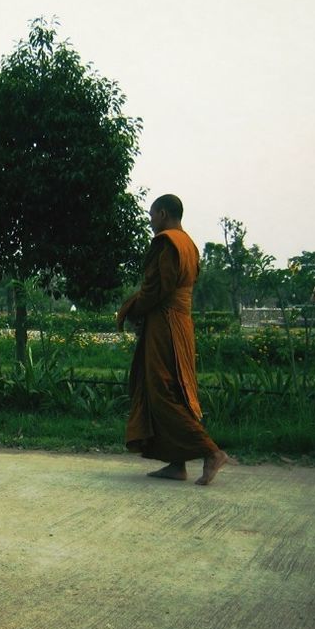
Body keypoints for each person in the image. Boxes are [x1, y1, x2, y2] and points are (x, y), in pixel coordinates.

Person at [116, 193, 228, 486]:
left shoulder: (167, 242)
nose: (151, 221)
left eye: (152, 215)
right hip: (180, 324)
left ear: (163, 214)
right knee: (174, 388)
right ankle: (176, 464)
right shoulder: (189, 244)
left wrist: (131, 308)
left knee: (161, 390)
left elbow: (155, 289)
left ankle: (210, 451)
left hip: (165, 324)